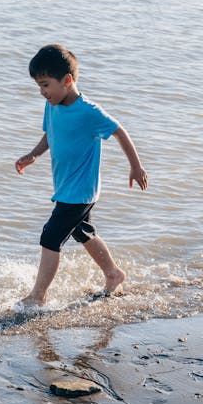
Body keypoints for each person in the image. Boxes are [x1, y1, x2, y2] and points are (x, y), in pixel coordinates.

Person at [15, 44, 148, 306]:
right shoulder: (52, 105)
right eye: (38, 87)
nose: (42, 92)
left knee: (51, 236)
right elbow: (50, 133)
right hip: (67, 185)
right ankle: (113, 274)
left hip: (80, 190)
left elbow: (119, 130)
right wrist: (34, 154)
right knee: (82, 232)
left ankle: (38, 296)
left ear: (67, 80)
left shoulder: (88, 111)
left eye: (45, 85)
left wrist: (136, 166)